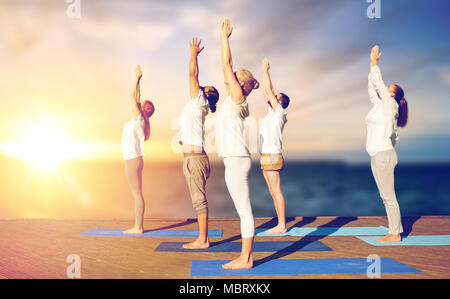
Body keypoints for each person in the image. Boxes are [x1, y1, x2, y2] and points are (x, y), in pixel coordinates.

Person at [216, 19, 260, 269]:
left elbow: (226, 64)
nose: (227, 80)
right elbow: (227, 70)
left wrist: (224, 38)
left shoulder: (238, 96)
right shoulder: (235, 101)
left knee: (244, 210)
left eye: (233, 79)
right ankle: (245, 256)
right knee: (242, 209)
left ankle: (246, 258)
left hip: (236, 158)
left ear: (241, 83)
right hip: (234, 158)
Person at [178, 37, 219, 249]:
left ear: (207, 94)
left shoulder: (199, 99)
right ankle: (202, 238)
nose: (203, 84)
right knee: (197, 199)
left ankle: (203, 240)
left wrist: (193, 53)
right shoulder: (196, 103)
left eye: (208, 86)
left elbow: (192, 74)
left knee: (199, 200)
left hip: (195, 159)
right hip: (191, 158)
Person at [366, 45, 408, 242]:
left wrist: (375, 63)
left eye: (389, 89)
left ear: (392, 95)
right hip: (378, 154)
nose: (385, 90)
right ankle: (394, 229)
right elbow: (373, 89)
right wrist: (370, 66)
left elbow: (379, 84)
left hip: (383, 154)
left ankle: (395, 234)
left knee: (389, 196)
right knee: (385, 195)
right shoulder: (381, 107)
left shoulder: (390, 105)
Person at [122, 65, 155, 234]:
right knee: (137, 193)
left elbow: (132, 96)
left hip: (132, 159)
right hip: (135, 159)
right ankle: (138, 225)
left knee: (136, 194)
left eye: (141, 104)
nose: (138, 103)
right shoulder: (141, 120)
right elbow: (136, 97)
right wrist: (139, 80)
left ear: (143, 109)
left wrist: (136, 78)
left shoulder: (139, 118)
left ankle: (138, 226)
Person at [260, 58, 290, 234]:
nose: (272, 99)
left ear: (281, 103)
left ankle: (282, 225)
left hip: (272, 155)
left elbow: (269, 91)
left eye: (277, 99)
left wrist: (265, 71)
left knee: (276, 191)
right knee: (272, 191)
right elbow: (267, 92)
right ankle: (280, 224)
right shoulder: (272, 113)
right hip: (266, 155)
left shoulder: (279, 113)